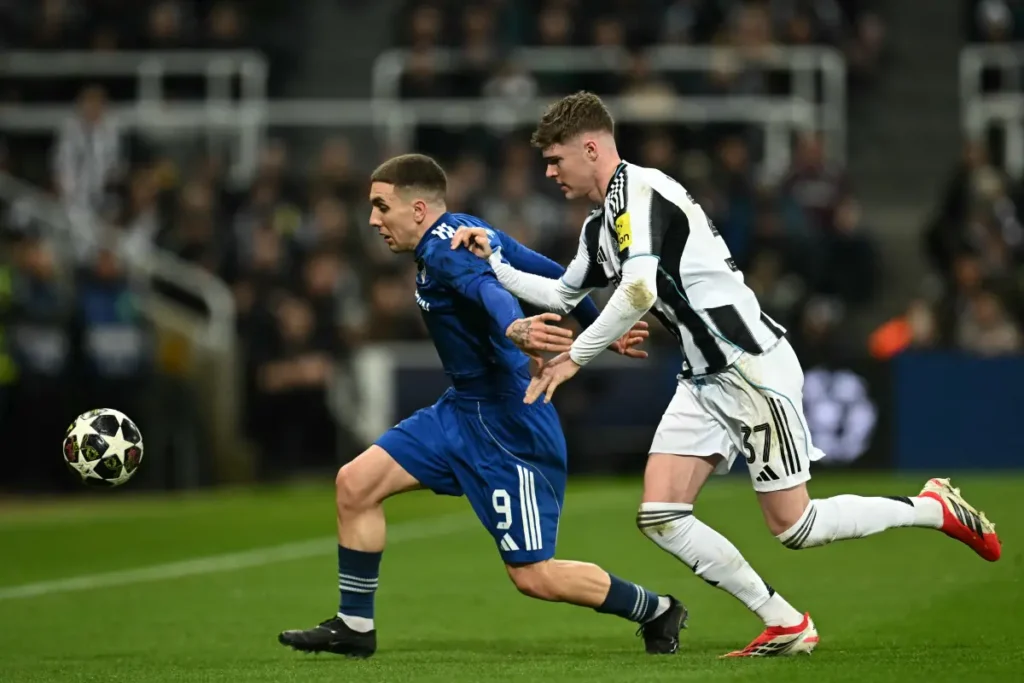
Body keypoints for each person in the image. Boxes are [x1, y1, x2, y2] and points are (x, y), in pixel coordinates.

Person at [451, 92, 1002, 658]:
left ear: (590, 148)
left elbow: (637, 290)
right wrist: (495, 260)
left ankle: (932, 507)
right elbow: (561, 294)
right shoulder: (602, 225)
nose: (549, 172)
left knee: (796, 527)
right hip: (703, 378)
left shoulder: (642, 193)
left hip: (748, 366)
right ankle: (784, 622)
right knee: (661, 515)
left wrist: (575, 356)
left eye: (555, 159)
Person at [278, 153, 687, 659]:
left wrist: (516, 325)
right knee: (355, 484)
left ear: (419, 209)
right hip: (459, 411)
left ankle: (656, 609)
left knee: (534, 576)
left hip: (508, 424)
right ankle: (354, 626)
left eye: (382, 207)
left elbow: (487, 289)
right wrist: (599, 324)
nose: (373, 220)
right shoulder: (465, 228)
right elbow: (542, 268)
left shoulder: (445, 252)